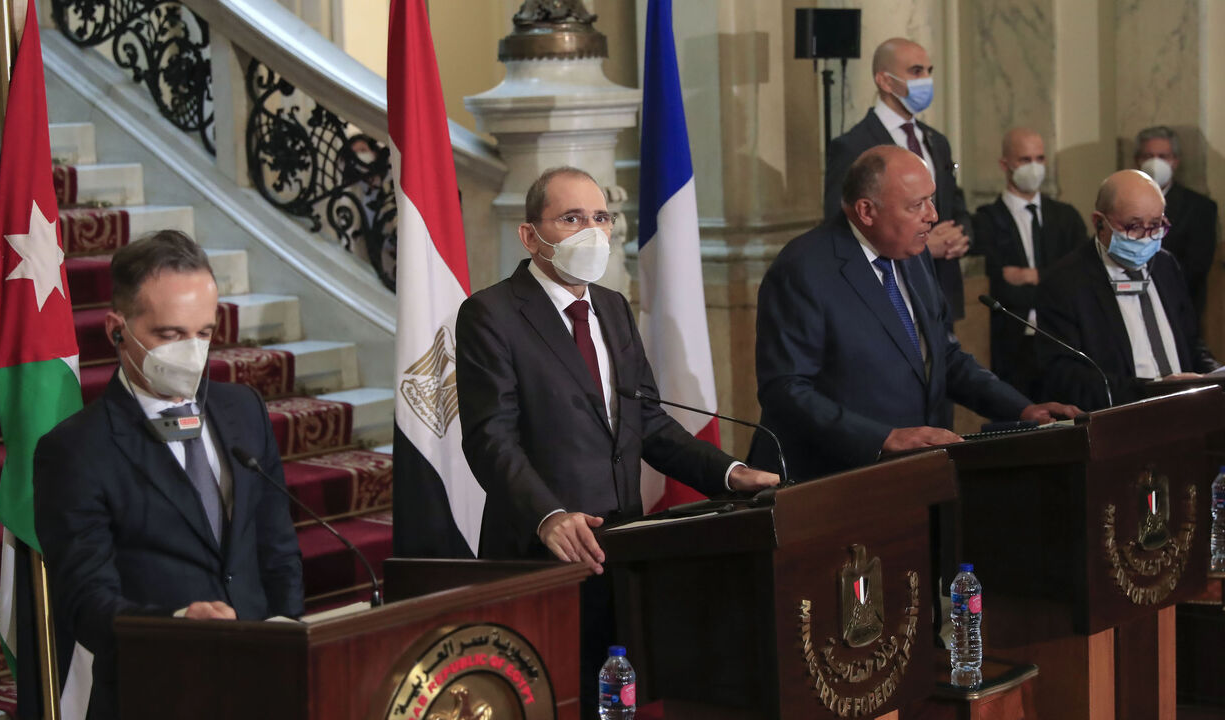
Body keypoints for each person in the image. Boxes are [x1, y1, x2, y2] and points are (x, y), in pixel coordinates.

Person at [455, 167, 778, 718]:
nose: (591, 231)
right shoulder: (491, 314)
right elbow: (491, 440)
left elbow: (648, 422)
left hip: (624, 546)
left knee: (617, 700)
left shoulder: (612, 308)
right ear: (530, 236)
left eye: (600, 217)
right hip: (544, 552)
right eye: (571, 218)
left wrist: (729, 475)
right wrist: (550, 515)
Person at [34, 231, 303, 719]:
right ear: (117, 329)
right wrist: (179, 623)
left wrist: (286, 637)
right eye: (170, 335)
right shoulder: (75, 450)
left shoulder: (244, 410)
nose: (193, 352)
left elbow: (277, 548)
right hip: (154, 692)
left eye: (204, 333)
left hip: (262, 683)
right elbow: (86, 603)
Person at [751, 146, 1079, 481]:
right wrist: (884, 438)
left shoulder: (912, 253)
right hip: (832, 478)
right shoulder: (804, 269)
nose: (933, 215)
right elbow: (786, 390)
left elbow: (943, 356)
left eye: (931, 199)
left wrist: (1022, 409)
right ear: (866, 210)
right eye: (916, 205)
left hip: (916, 472)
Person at [1037, 170, 1220, 410]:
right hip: (1122, 420)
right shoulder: (1065, 282)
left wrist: (1215, 375)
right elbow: (1067, 377)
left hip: (1186, 414)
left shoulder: (1166, 265)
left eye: (1155, 225)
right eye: (1133, 226)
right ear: (1099, 222)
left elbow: (1190, 343)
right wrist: (1153, 389)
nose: (1146, 238)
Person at [824, 37, 971, 325]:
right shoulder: (853, 145)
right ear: (884, 80)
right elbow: (840, 223)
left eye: (929, 71)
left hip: (939, 291)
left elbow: (955, 205)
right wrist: (922, 245)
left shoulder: (936, 140)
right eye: (916, 71)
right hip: (887, 291)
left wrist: (961, 236)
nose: (926, 80)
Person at [973, 128, 1088, 397]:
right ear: (1005, 165)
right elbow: (998, 285)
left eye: (1040, 158)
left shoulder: (1066, 217)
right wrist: (1052, 279)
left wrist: (1033, 275)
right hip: (1010, 345)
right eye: (1025, 160)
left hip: (1061, 339)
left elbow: (1079, 276)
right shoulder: (985, 221)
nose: (1034, 167)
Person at [1134, 125, 1219, 318]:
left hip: (1177, 306)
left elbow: (1197, 266)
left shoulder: (1200, 208)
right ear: (1138, 160)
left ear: (1175, 161)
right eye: (1148, 156)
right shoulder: (1120, 203)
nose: (1155, 163)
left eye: (1163, 156)